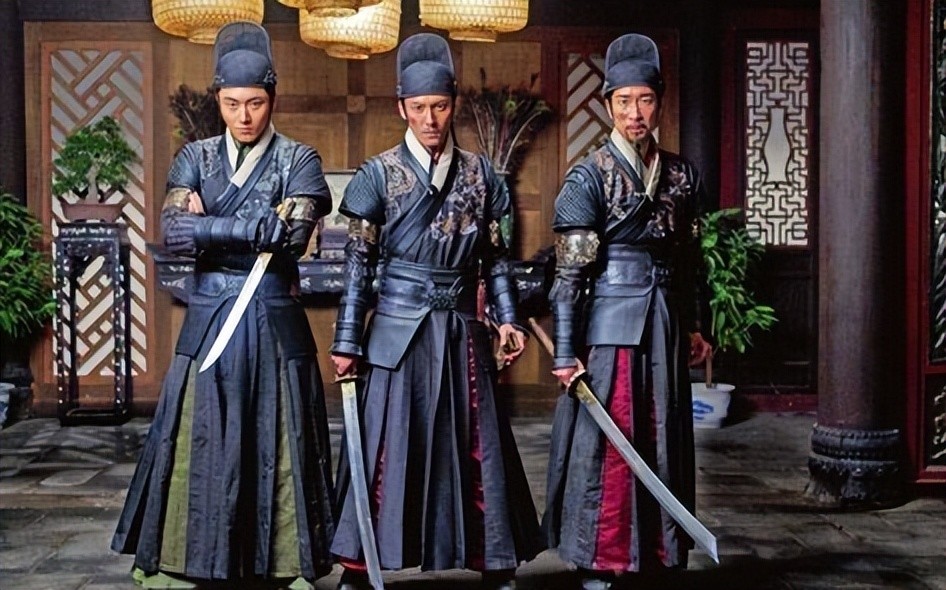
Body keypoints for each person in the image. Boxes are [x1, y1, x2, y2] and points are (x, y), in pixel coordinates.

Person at [111, 22, 335, 589]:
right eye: (232, 104)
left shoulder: (300, 159)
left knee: (280, 439)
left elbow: (292, 237)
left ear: (271, 99)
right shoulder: (195, 157)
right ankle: (188, 561)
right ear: (218, 101)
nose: (244, 116)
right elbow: (172, 232)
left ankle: (286, 564)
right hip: (211, 313)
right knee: (200, 435)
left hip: (274, 315)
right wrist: (248, 227)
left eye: (255, 103)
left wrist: (209, 225)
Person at [328, 32, 544, 590]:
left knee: (477, 444)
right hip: (396, 328)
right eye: (420, 108)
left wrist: (507, 318)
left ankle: (493, 559)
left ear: (454, 106)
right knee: (387, 445)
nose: (430, 119)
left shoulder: (480, 174)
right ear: (402, 107)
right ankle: (361, 564)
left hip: (463, 331)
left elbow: (496, 259)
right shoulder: (377, 174)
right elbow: (357, 265)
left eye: (440, 107)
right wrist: (347, 340)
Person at [542, 33, 713, 590]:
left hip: (665, 318)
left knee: (663, 430)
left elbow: (690, 259)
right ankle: (603, 555)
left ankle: (659, 550)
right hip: (610, 322)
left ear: (659, 103)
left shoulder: (682, 175)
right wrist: (565, 352)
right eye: (623, 101)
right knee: (611, 438)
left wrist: (696, 324)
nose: (635, 112)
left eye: (644, 100)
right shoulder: (588, 176)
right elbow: (569, 275)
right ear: (608, 104)